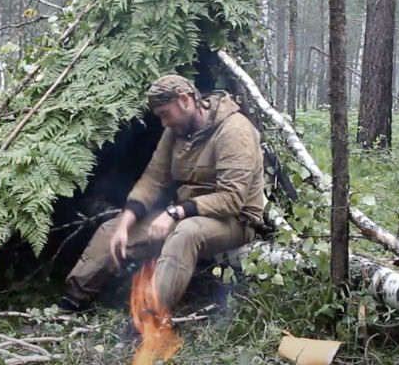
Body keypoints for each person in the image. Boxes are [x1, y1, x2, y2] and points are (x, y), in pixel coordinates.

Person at [60, 74, 264, 314]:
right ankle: (72, 303)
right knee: (112, 231)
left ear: (186, 100)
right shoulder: (175, 132)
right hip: (185, 214)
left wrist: (174, 212)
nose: (164, 123)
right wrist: (126, 222)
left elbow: (231, 199)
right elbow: (153, 179)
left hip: (234, 221)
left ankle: (150, 319)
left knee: (186, 233)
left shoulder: (233, 130)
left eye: (166, 114)